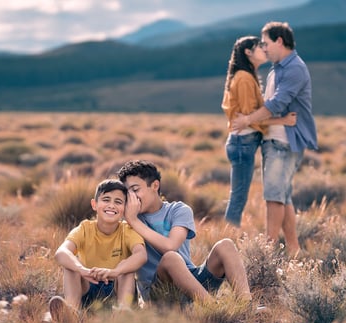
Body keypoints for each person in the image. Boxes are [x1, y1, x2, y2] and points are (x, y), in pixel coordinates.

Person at [231, 22, 318, 257]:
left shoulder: (295, 69)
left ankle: (267, 253)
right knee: (282, 195)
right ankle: (294, 251)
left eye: (266, 43)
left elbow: (277, 103)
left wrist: (248, 119)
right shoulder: (277, 68)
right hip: (274, 140)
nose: (264, 49)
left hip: (284, 142)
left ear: (280, 41)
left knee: (273, 196)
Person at [116, 160, 253, 306]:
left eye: (135, 190)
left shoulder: (178, 210)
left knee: (225, 245)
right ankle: (212, 307)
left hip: (191, 281)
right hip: (159, 292)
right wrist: (131, 219)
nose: (131, 198)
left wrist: (134, 221)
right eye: (127, 193)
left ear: (155, 186)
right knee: (170, 259)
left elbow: (171, 245)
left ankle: (247, 305)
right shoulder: (129, 220)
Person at [222, 35, 297, 228]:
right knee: (238, 197)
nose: (264, 49)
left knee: (238, 196)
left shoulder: (247, 76)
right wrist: (283, 120)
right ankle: (225, 241)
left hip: (243, 143)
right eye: (259, 46)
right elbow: (251, 116)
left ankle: (226, 239)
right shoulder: (245, 78)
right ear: (248, 52)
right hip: (242, 143)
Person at [49, 179, 147, 323]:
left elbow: (141, 255)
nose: (111, 205)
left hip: (117, 288)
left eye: (118, 202)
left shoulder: (128, 230)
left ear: (124, 209)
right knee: (72, 264)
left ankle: (122, 313)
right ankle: (72, 313)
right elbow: (61, 252)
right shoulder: (84, 228)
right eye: (106, 199)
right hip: (89, 286)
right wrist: (82, 270)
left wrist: (115, 271)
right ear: (94, 205)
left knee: (126, 267)